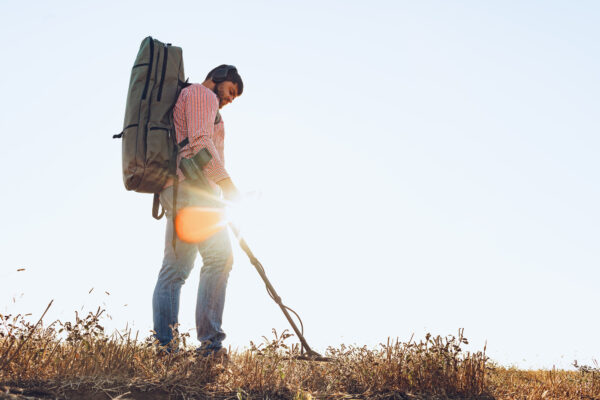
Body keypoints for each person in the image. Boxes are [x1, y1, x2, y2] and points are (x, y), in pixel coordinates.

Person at [152, 65, 243, 357]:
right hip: (192, 193)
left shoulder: (193, 97)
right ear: (217, 78)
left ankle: (166, 351)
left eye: (233, 98)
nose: (229, 99)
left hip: (177, 191)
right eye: (230, 91)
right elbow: (201, 143)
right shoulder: (203, 95)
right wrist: (228, 187)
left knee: (174, 271)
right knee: (219, 258)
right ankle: (210, 347)